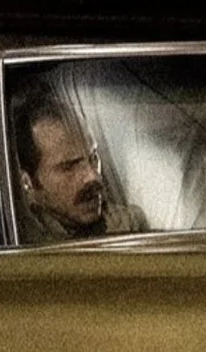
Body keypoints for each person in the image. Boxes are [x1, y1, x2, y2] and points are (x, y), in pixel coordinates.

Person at [12, 82, 149, 244]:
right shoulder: (18, 242)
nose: (93, 176)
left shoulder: (130, 226)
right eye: (69, 167)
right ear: (28, 182)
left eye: (93, 158)